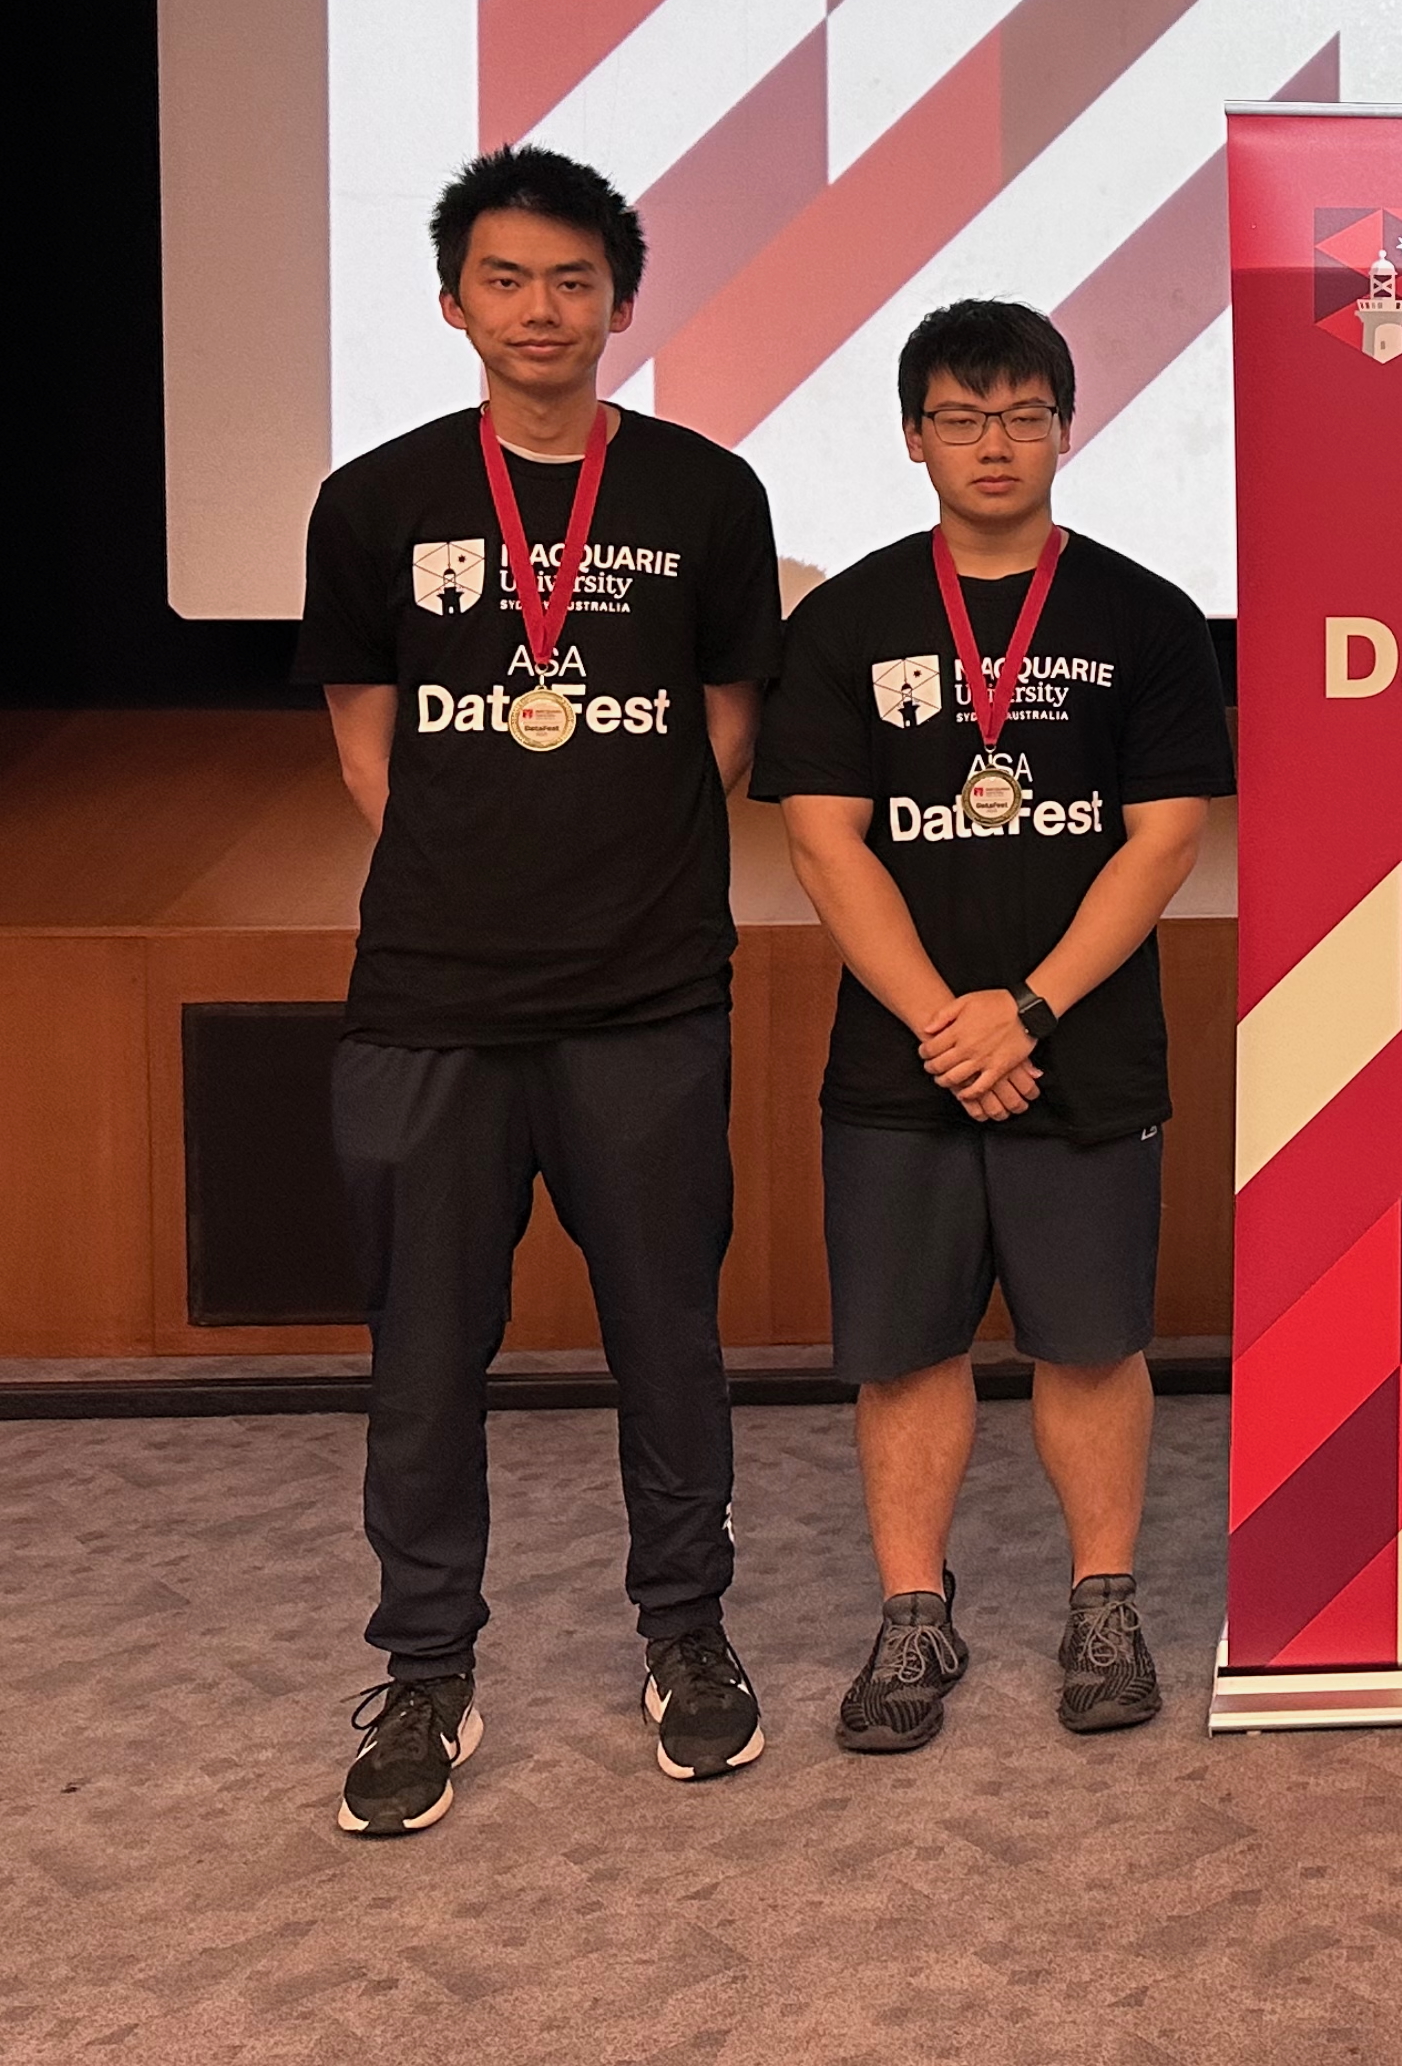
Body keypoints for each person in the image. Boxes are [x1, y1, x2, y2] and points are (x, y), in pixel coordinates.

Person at [299, 147, 784, 1837]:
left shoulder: (708, 496)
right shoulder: (372, 501)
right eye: (506, 279)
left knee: (672, 1339)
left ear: (620, 306)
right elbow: (365, 732)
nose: (540, 309)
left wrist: (609, 855)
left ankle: (690, 1635)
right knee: (425, 1358)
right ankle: (426, 1667)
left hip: (647, 995)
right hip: (430, 997)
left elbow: (730, 721)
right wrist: (477, 850)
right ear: (453, 301)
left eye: (574, 281)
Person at [755, 300, 1230, 1752]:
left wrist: (1023, 1008)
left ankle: (1105, 1599)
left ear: (1067, 428)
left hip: (1080, 1041)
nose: (995, 444)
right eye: (961, 418)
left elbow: (1163, 839)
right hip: (900, 1055)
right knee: (904, 1347)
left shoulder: (1142, 613)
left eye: (1023, 416)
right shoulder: (848, 620)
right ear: (913, 439)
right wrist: (943, 1021)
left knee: (1091, 1340)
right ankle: (913, 1613)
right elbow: (826, 842)